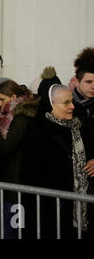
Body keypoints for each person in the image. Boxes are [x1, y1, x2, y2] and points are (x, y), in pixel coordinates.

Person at [21, 85, 94, 238]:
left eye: (72, 101)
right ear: (51, 104)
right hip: (52, 211)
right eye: (66, 103)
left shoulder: (79, 127)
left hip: (83, 207)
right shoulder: (38, 133)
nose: (72, 106)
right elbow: (29, 175)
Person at [0, 79, 38, 238]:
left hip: (16, 183)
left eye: (2, 99)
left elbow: (7, 147)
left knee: (10, 230)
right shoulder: (9, 115)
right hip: (10, 180)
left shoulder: (21, 117)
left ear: (13, 96)